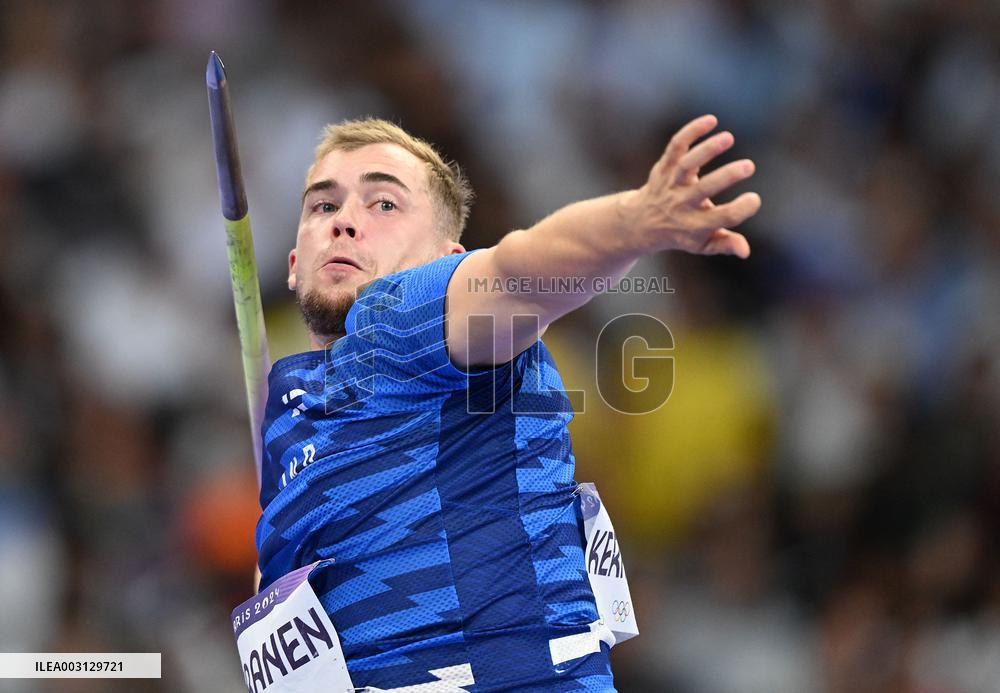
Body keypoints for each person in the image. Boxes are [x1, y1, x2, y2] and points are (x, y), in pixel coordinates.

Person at [255, 115, 759, 691]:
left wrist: (636, 221)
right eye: (323, 207)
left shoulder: (401, 314)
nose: (344, 222)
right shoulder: (289, 415)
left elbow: (518, 270)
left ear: (445, 258)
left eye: (384, 205)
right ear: (294, 265)